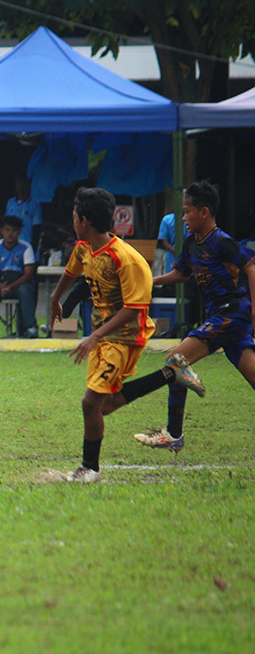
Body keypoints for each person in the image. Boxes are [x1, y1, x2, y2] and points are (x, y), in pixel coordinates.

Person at [47, 187, 204, 482]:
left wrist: (95, 336)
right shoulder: (84, 247)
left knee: (90, 403)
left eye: (73, 215)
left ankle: (89, 469)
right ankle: (171, 374)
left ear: (83, 220)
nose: (72, 220)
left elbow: (134, 309)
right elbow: (72, 270)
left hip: (125, 337)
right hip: (105, 336)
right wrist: (56, 297)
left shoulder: (126, 259)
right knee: (103, 406)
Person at [134, 180, 255, 452]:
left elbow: (251, 265)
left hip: (233, 312)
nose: (184, 217)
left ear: (204, 211)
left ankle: (173, 433)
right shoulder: (191, 243)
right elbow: (182, 273)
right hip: (221, 316)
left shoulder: (221, 241)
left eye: (187, 211)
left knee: (175, 360)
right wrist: (150, 282)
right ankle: (174, 433)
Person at [5, 176, 42, 252]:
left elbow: (36, 230)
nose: (20, 186)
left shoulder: (35, 204)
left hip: (26, 247)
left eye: (23, 183)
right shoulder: (10, 202)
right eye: (18, 183)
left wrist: (32, 250)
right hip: (11, 248)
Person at [155, 208, 178, 275]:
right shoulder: (167, 220)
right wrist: (173, 250)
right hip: (171, 259)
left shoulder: (193, 219)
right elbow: (163, 239)